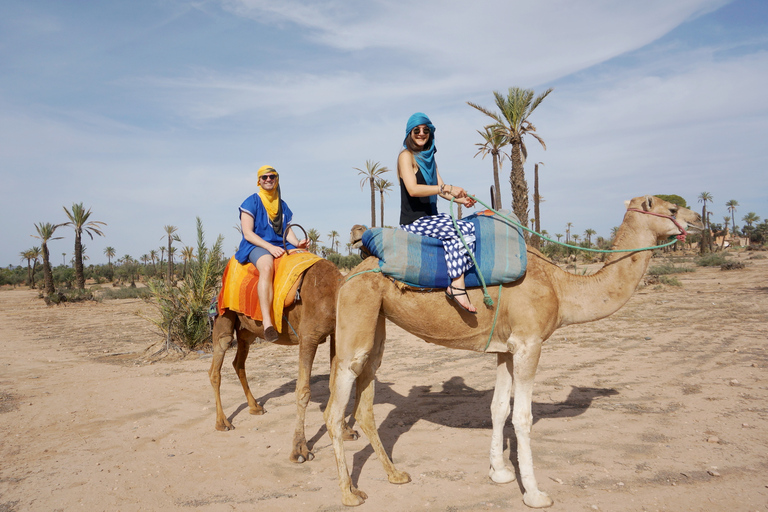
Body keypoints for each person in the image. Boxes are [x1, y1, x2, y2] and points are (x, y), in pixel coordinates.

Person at [398, 112, 478, 314]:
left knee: (469, 227)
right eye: (417, 130)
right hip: (415, 221)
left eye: (426, 130)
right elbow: (413, 189)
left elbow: (441, 188)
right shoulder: (405, 156)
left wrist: (462, 199)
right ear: (410, 133)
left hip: (432, 218)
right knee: (461, 229)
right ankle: (457, 285)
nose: (422, 133)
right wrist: (446, 188)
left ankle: (456, 282)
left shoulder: (429, 158)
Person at [234, 165, 309, 341]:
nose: (268, 180)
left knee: (307, 259)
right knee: (267, 267)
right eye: (265, 177)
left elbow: (287, 230)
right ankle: (268, 322)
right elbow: (248, 233)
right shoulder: (251, 202)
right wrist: (269, 247)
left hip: (280, 244)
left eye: (272, 177)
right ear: (259, 181)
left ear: (277, 179)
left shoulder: (282, 205)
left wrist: (298, 243)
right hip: (256, 245)